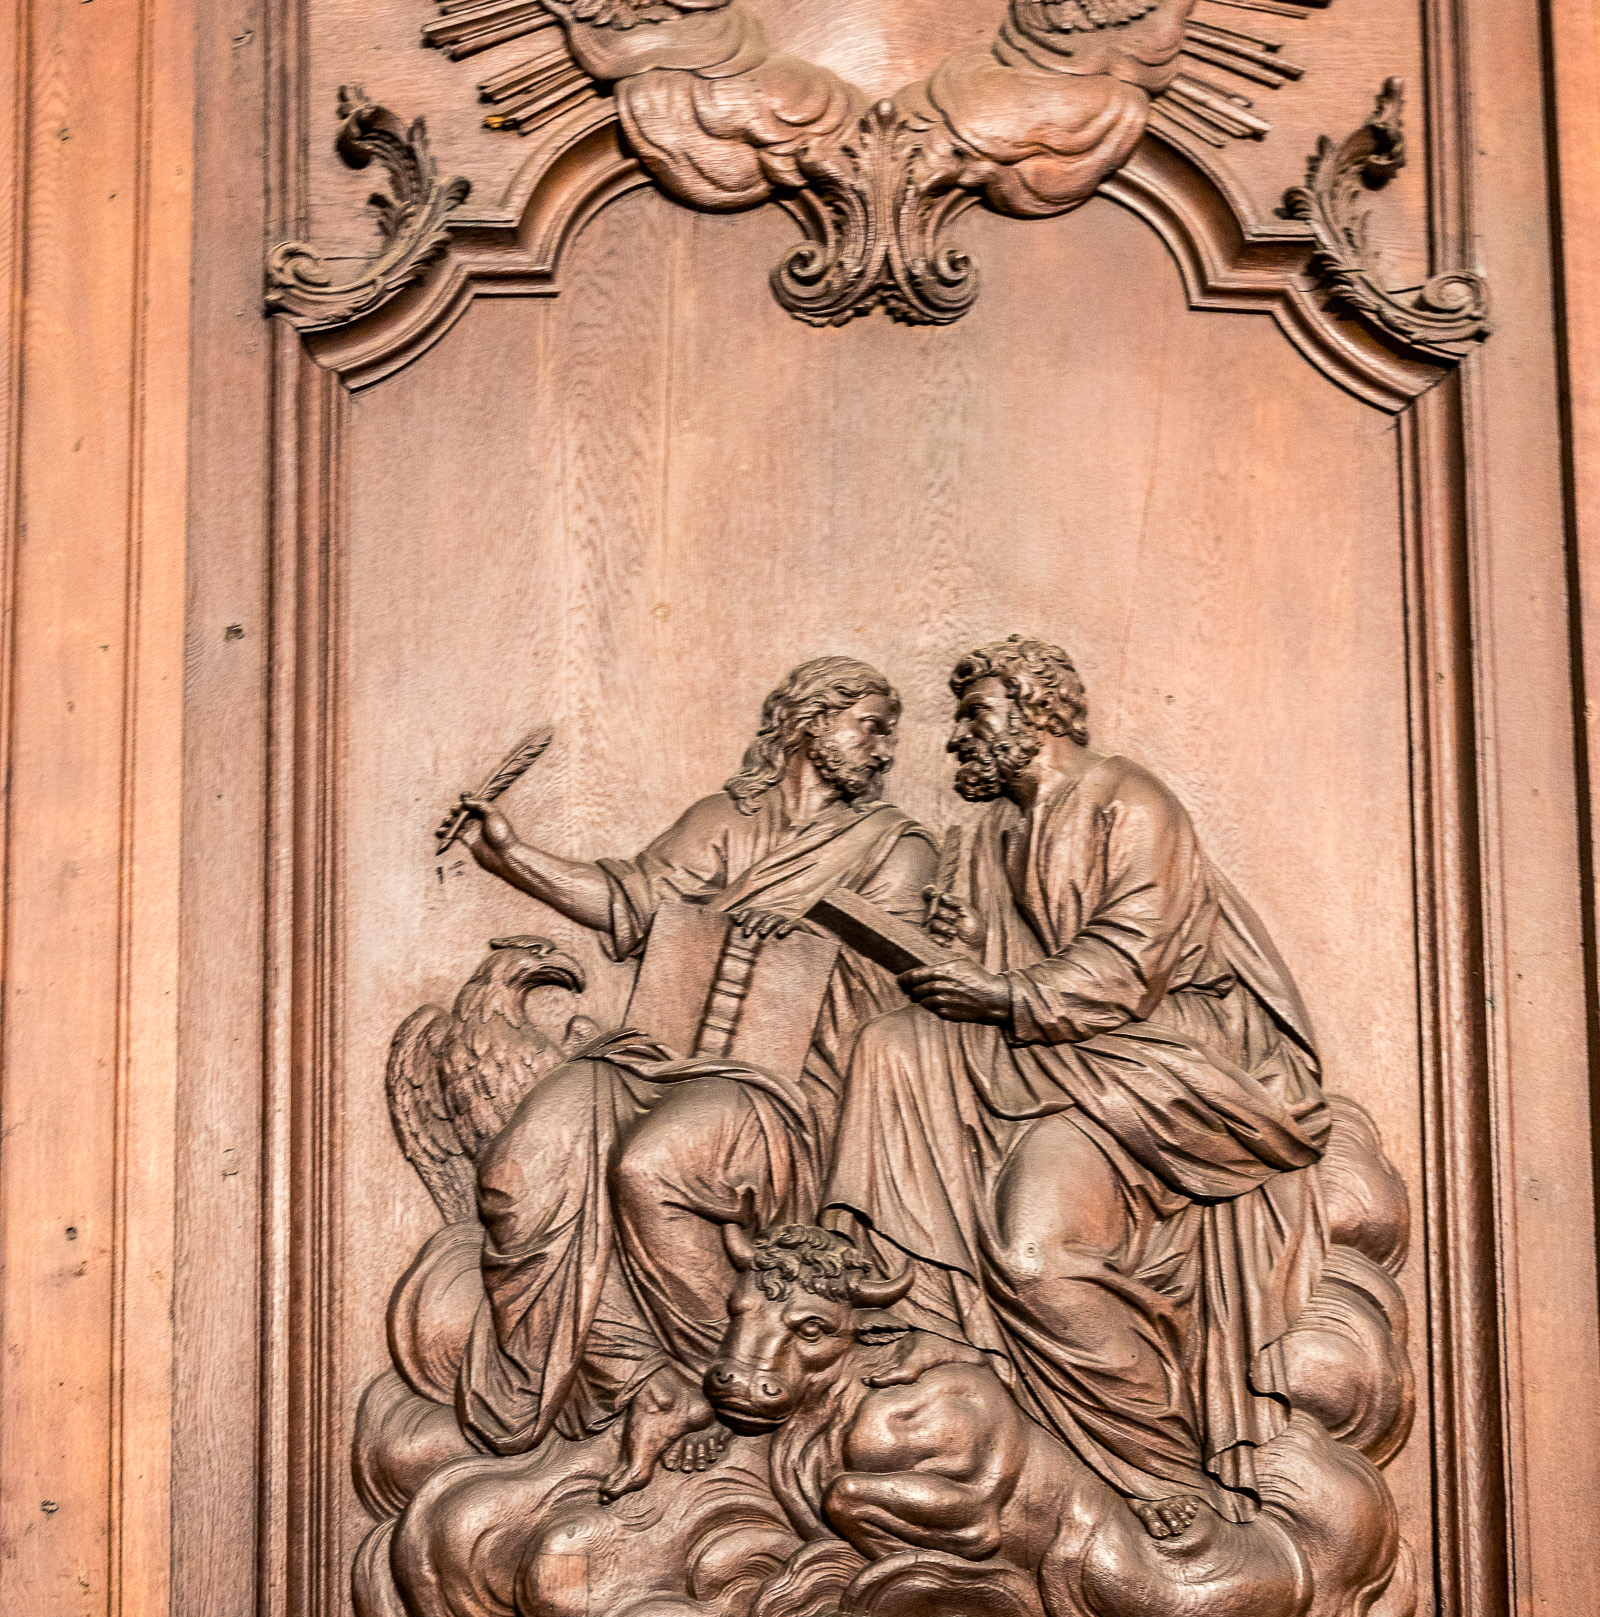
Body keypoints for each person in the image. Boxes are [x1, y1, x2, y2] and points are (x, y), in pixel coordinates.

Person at [825, 635, 1331, 1538]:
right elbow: (988, 965)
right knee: (892, 1046)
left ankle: (1160, 1465)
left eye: (975, 716)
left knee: (1035, 1255)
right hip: (1042, 1049)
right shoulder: (994, 832)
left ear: (1036, 711)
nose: (957, 740)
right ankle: (920, 1312)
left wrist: (999, 991)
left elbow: (1129, 964)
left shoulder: (1127, 801)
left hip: (1151, 1065)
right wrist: (950, 946)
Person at [455, 656, 936, 1493]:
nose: (885, 749)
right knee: (520, 1168)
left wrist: (810, 922)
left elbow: (899, 979)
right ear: (812, 723)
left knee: (654, 1166)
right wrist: (511, 856)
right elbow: (630, 902)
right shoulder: (723, 819)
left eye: (888, 733)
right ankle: (636, 1379)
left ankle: (717, 1373)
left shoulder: (896, 846)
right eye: (871, 727)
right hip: (664, 1049)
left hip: (786, 1075)